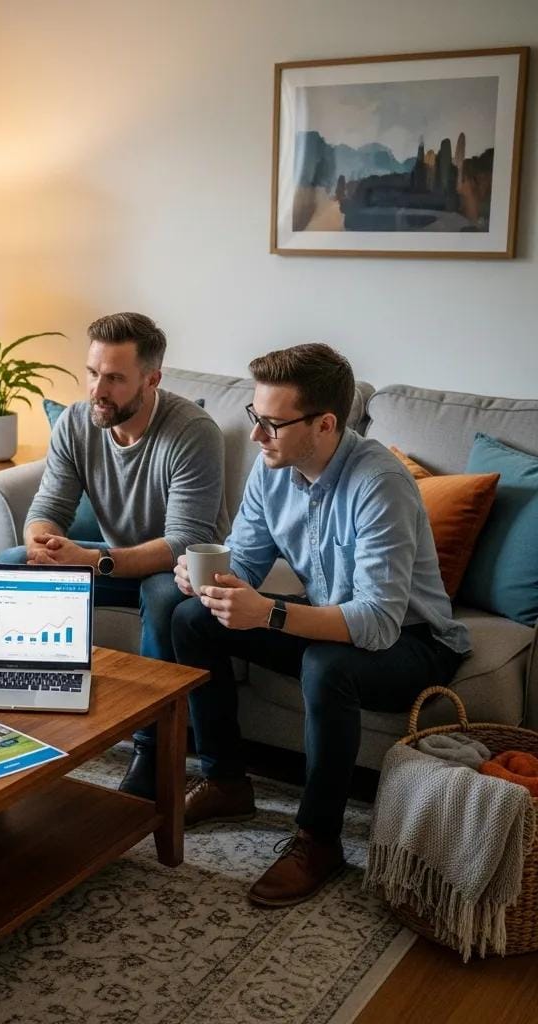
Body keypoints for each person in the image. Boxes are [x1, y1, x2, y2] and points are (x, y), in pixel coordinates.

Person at [170, 343, 469, 907]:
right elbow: (248, 563)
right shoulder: (272, 468)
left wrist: (271, 612)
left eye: (272, 425)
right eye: (254, 419)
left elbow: (378, 623)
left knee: (326, 663)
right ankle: (227, 781)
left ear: (326, 424)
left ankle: (318, 838)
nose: (257, 437)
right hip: (332, 614)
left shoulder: (378, 482)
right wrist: (203, 574)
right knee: (192, 619)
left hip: (415, 641)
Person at [0, 312, 228, 793]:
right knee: (9, 565)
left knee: (165, 596)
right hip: (110, 556)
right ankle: (16, 721)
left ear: (152, 379)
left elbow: (183, 541)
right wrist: (41, 541)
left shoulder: (192, 432)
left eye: (115, 378)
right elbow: (48, 506)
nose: (97, 389)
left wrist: (92, 560)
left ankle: (152, 753)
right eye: (92, 373)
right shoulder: (79, 422)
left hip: (180, 566)